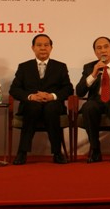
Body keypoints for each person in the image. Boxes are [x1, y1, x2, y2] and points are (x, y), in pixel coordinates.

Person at [9, 34, 74, 165]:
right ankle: (22, 152)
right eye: (39, 45)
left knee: (51, 108)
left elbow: (68, 89)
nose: (43, 48)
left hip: (53, 105)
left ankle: (57, 153)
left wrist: (52, 96)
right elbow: (14, 90)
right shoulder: (24, 67)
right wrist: (31, 96)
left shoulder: (60, 67)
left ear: (51, 48)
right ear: (33, 48)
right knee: (33, 107)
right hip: (31, 105)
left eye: (46, 45)